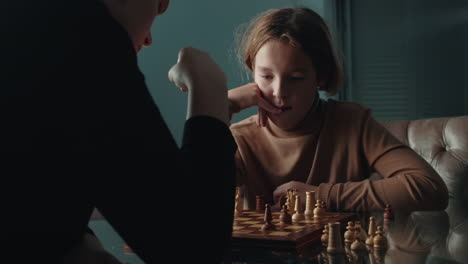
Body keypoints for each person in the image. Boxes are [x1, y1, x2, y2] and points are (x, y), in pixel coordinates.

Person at [0, 0, 236, 263]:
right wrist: (209, 86)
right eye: (157, 7)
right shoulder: (83, 37)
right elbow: (191, 245)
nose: (148, 39)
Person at [227, 7, 448, 212]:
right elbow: (195, 201)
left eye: (295, 78)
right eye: (266, 76)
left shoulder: (352, 123)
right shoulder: (239, 139)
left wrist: (322, 195)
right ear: (252, 72)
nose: (279, 91)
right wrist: (222, 109)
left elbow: (429, 188)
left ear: (320, 76)